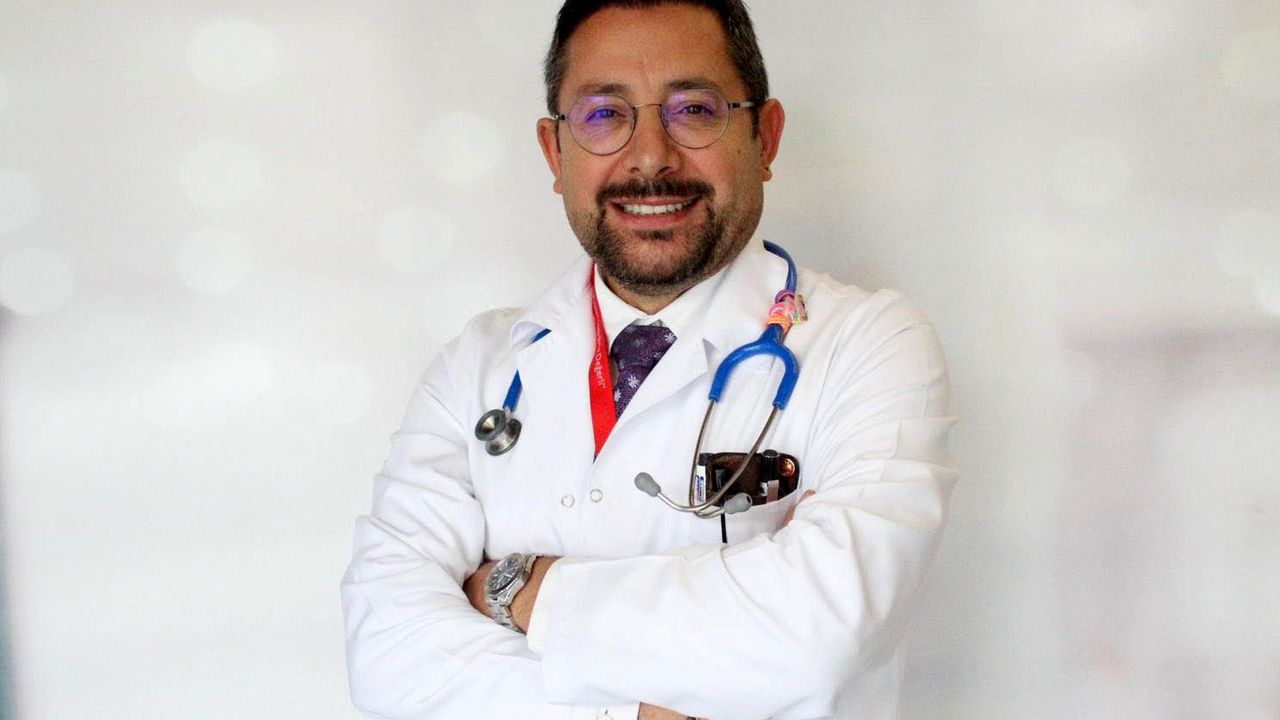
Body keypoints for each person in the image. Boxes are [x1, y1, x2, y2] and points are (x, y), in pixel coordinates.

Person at [340, 1, 958, 718]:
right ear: (555, 153)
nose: (650, 157)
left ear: (765, 137)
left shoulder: (870, 344)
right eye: (604, 115)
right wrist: (633, 713)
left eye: (693, 110)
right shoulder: (474, 369)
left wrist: (518, 589)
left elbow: (823, 628)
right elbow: (389, 659)